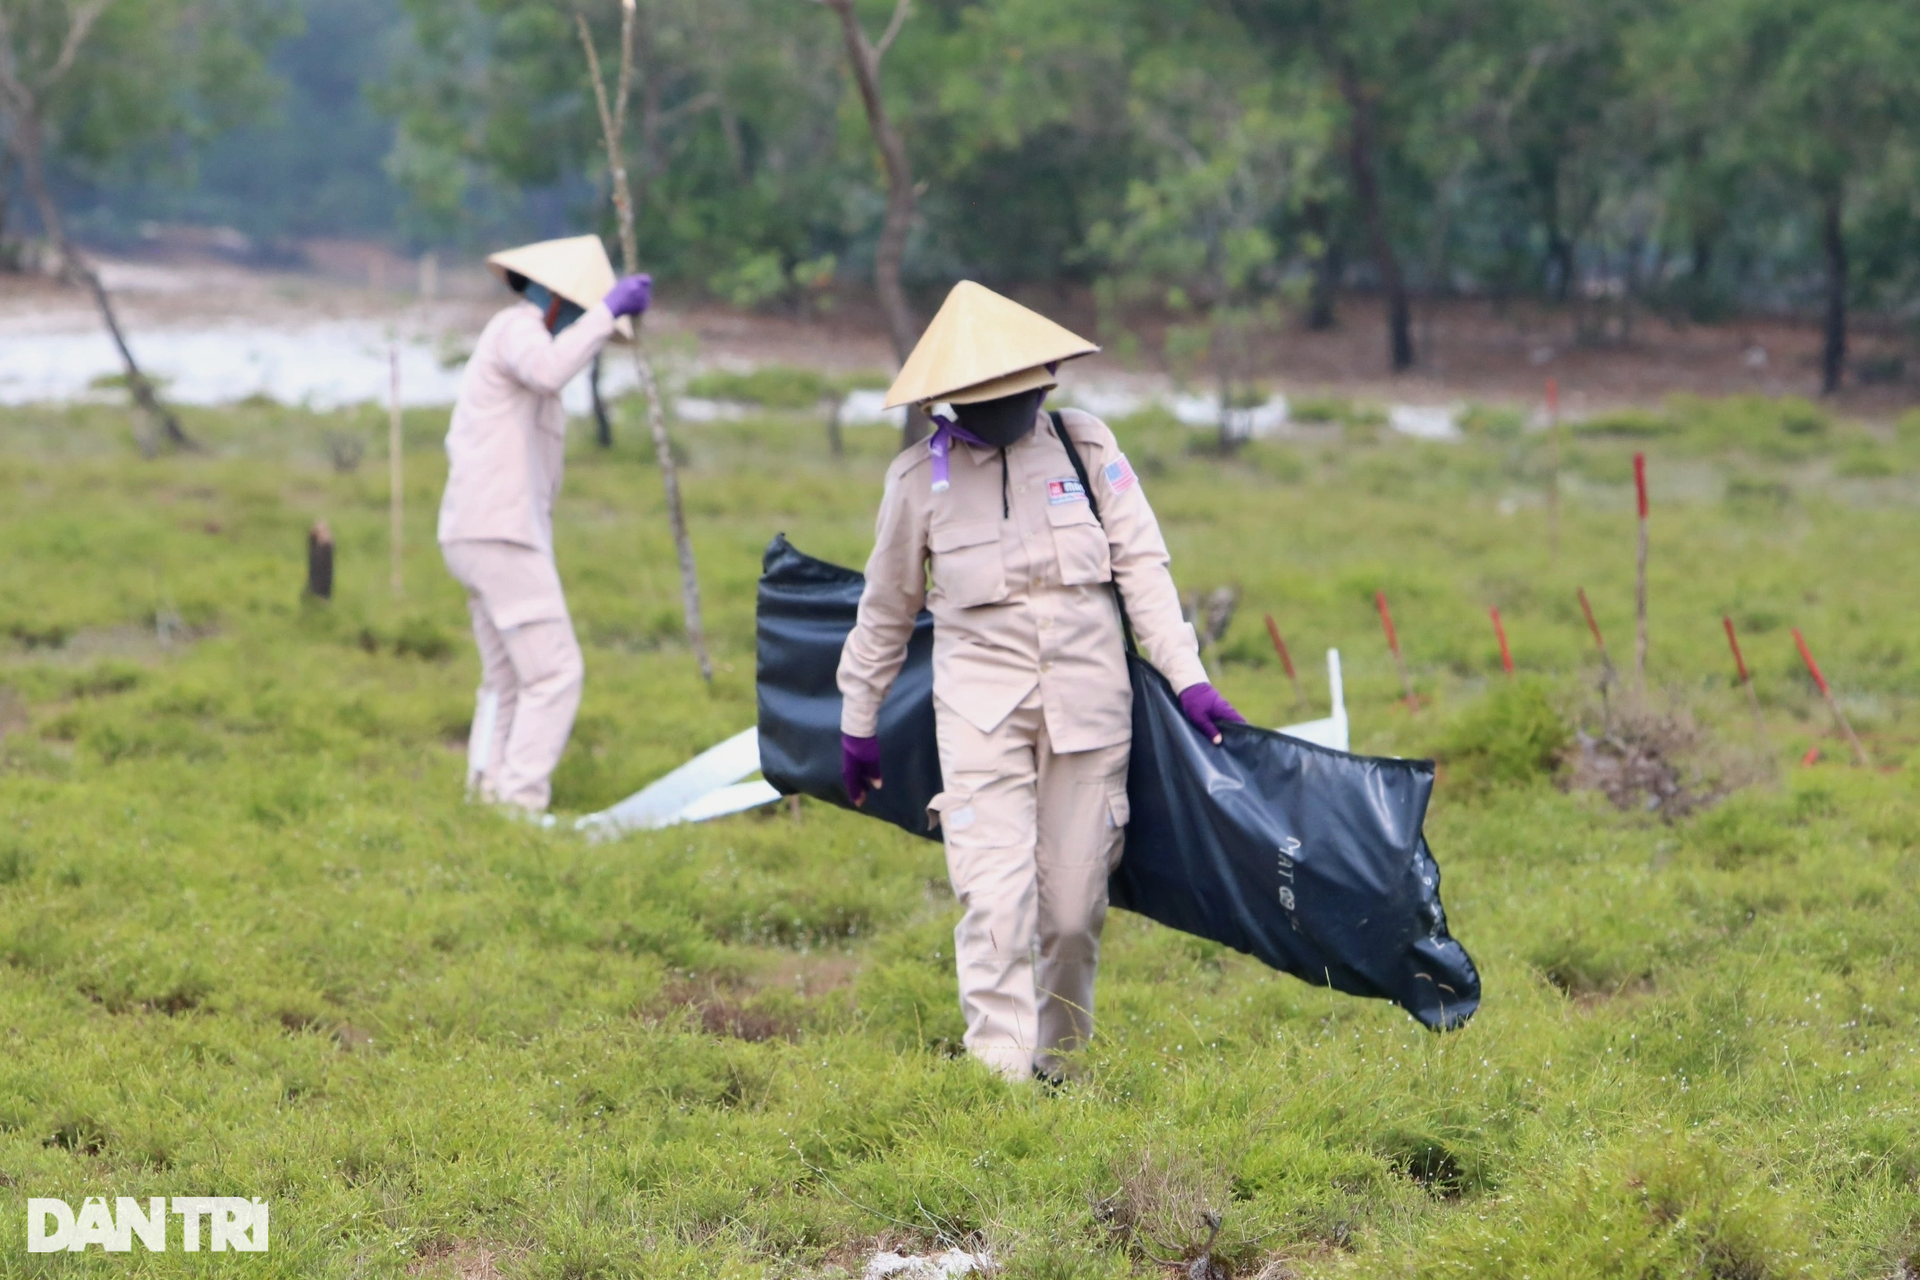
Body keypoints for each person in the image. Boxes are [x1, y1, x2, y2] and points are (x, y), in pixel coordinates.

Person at [836, 281, 1244, 1082]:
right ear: (948, 403)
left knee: (1069, 915)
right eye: (987, 402)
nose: (1009, 412)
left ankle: (1060, 1072)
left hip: (1091, 716)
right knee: (994, 903)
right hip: (980, 718)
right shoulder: (919, 481)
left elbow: (1144, 569)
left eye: (1021, 394)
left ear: (1046, 379)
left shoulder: (1087, 449)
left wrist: (1188, 678)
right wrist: (858, 718)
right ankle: (999, 1083)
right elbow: (885, 608)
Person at [438, 235, 653, 813]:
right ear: (561, 301)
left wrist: (604, 318)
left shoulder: (522, 349)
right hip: (497, 533)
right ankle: (519, 800)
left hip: (479, 530)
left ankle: (485, 796)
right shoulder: (518, 330)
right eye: (584, 311)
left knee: (507, 678)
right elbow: (551, 369)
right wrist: (609, 310)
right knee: (556, 673)